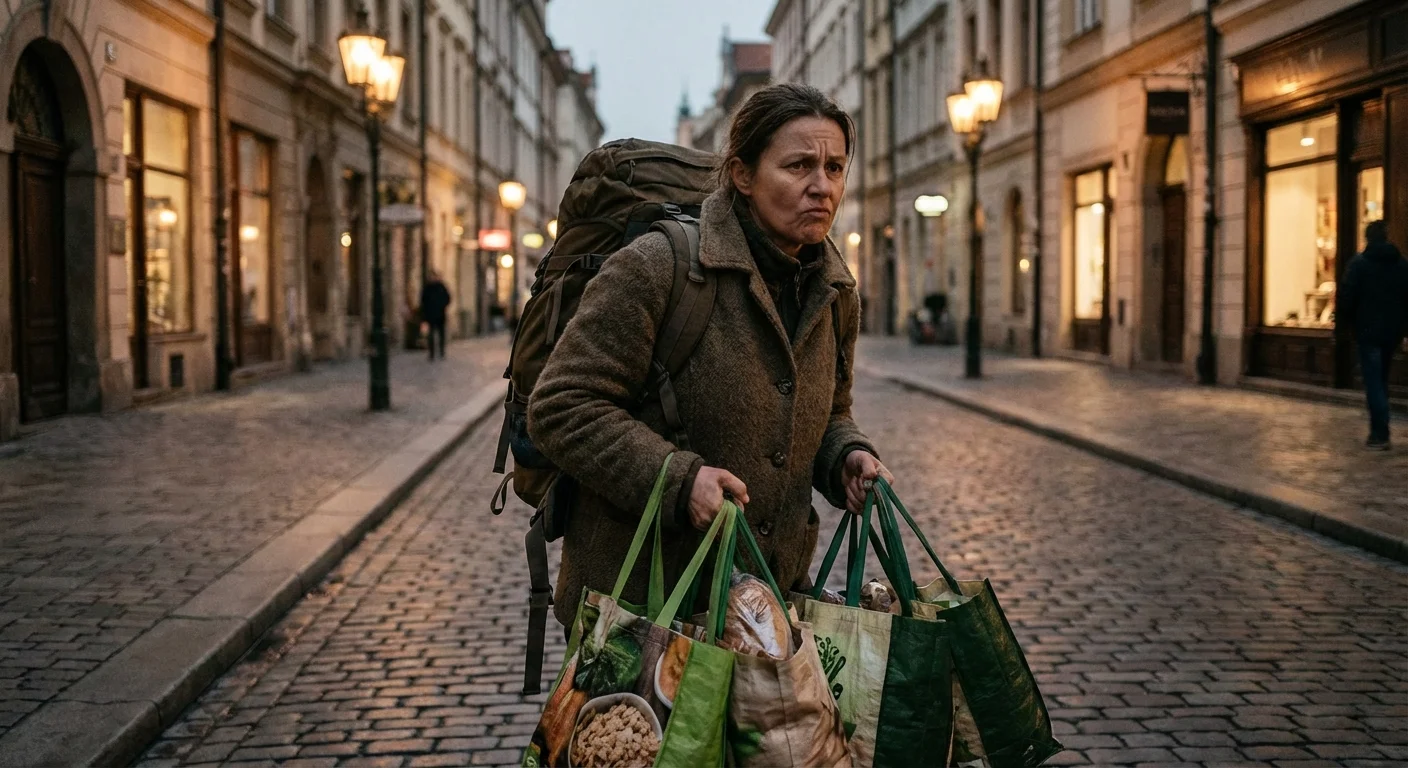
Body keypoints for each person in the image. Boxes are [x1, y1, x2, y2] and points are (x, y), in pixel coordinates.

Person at [527, 83, 891, 629]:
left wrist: (846, 457)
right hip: (645, 612)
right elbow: (560, 407)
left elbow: (829, 412)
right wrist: (678, 480)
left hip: (765, 611)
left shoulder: (835, 291)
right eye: (798, 166)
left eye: (835, 168)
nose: (822, 187)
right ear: (743, 175)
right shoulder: (660, 266)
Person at [1339, 220, 1408, 450]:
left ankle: (1380, 433)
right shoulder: (1400, 264)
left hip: (1367, 332)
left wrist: (1344, 326)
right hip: (1392, 332)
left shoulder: (1359, 264)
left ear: (1367, 238)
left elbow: (1347, 297)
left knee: (1374, 382)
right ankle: (1380, 428)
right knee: (1382, 379)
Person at [419, 270, 452, 361]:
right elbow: (423, 301)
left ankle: (441, 351)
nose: (433, 278)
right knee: (431, 335)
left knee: (441, 334)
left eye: (434, 276)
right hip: (430, 315)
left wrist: (442, 306)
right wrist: (424, 313)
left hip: (440, 314)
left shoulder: (441, 287)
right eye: (431, 277)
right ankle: (431, 353)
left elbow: (448, 298)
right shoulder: (427, 288)